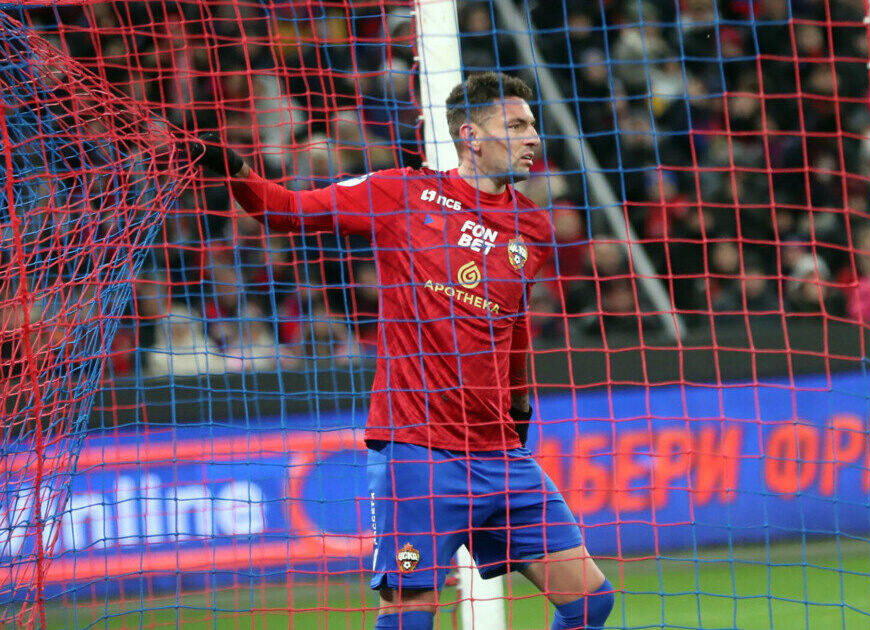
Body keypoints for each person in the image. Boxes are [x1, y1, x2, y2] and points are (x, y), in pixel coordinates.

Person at [188, 72, 614, 630]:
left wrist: (519, 404)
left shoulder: (531, 226)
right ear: (471, 135)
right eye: (516, 125)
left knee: (590, 601)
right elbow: (287, 210)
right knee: (410, 615)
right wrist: (235, 168)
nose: (533, 137)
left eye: (532, 125)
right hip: (419, 450)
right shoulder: (402, 194)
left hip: (500, 453)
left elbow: (513, 326)